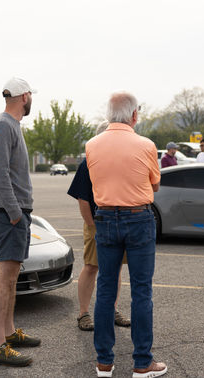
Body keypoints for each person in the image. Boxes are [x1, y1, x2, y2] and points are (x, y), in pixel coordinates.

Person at [86, 92, 166, 378]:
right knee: (141, 290)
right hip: (138, 217)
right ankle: (142, 362)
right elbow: (155, 184)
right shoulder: (146, 145)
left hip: (105, 217)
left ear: (109, 114)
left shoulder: (91, 145)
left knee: (106, 289)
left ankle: (104, 362)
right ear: (134, 115)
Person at [0, 78, 41, 367]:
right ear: (25, 97)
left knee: (12, 277)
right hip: (8, 214)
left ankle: (8, 333)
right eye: (31, 95)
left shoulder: (12, 125)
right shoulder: (2, 126)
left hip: (14, 213)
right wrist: (15, 213)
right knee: (4, 278)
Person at [67, 122, 131, 333]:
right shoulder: (88, 163)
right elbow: (83, 199)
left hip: (119, 220)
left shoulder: (120, 161)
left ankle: (112, 310)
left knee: (116, 267)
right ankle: (83, 313)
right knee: (91, 267)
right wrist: (91, 225)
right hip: (97, 222)